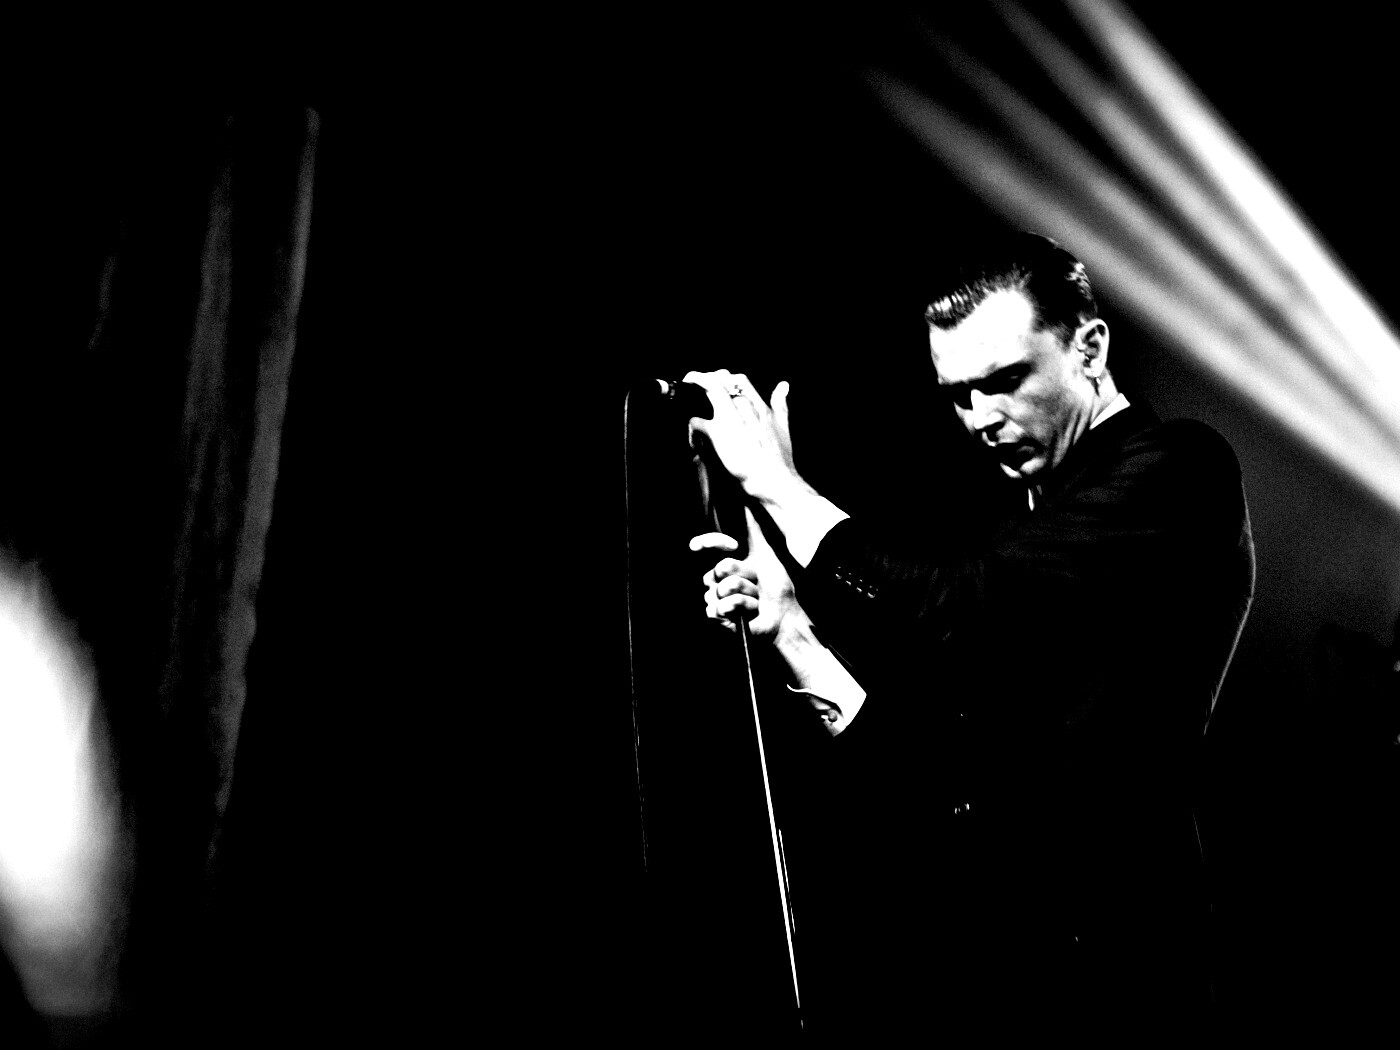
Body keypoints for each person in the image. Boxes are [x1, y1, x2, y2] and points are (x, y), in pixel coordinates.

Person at [684, 232, 1255, 1037]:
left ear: (1090, 348)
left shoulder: (1176, 470)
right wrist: (789, 627)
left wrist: (781, 490)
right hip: (1003, 981)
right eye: (958, 396)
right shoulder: (1022, 530)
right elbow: (936, 770)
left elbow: (961, 608)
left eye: (1006, 381)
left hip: (1116, 990)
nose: (981, 418)